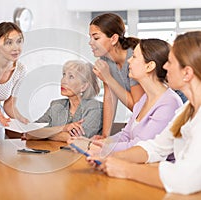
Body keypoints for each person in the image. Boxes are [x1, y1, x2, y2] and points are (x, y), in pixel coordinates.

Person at [87, 31, 201, 195]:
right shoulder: (186, 109)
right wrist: (109, 157)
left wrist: (126, 169)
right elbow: (154, 147)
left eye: (170, 62)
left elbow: (185, 179)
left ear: (187, 73)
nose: (165, 66)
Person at [85, 38, 183, 153]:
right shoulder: (144, 99)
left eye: (134, 57)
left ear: (149, 66)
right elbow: (125, 135)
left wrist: (100, 148)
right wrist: (101, 142)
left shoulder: (169, 104)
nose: (129, 61)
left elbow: (140, 146)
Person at [89, 13, 145, 138]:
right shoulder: (105, 59)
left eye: (96, 38)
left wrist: (108, 78)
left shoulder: (133, 59)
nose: (90, 42)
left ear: (113, 39)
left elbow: (137, 108)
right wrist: (105, 136)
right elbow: (109, 97)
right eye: (90, 37)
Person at [24, 60, 103, 142]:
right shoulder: (56, 105)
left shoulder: (96, 108)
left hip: (82, 154)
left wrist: (46, 134)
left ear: (83, 86)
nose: (63, 81)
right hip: (52, 152)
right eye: (64, 75)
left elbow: (77, 139)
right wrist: (63, 128)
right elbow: (31, 132)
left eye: (71, 77)